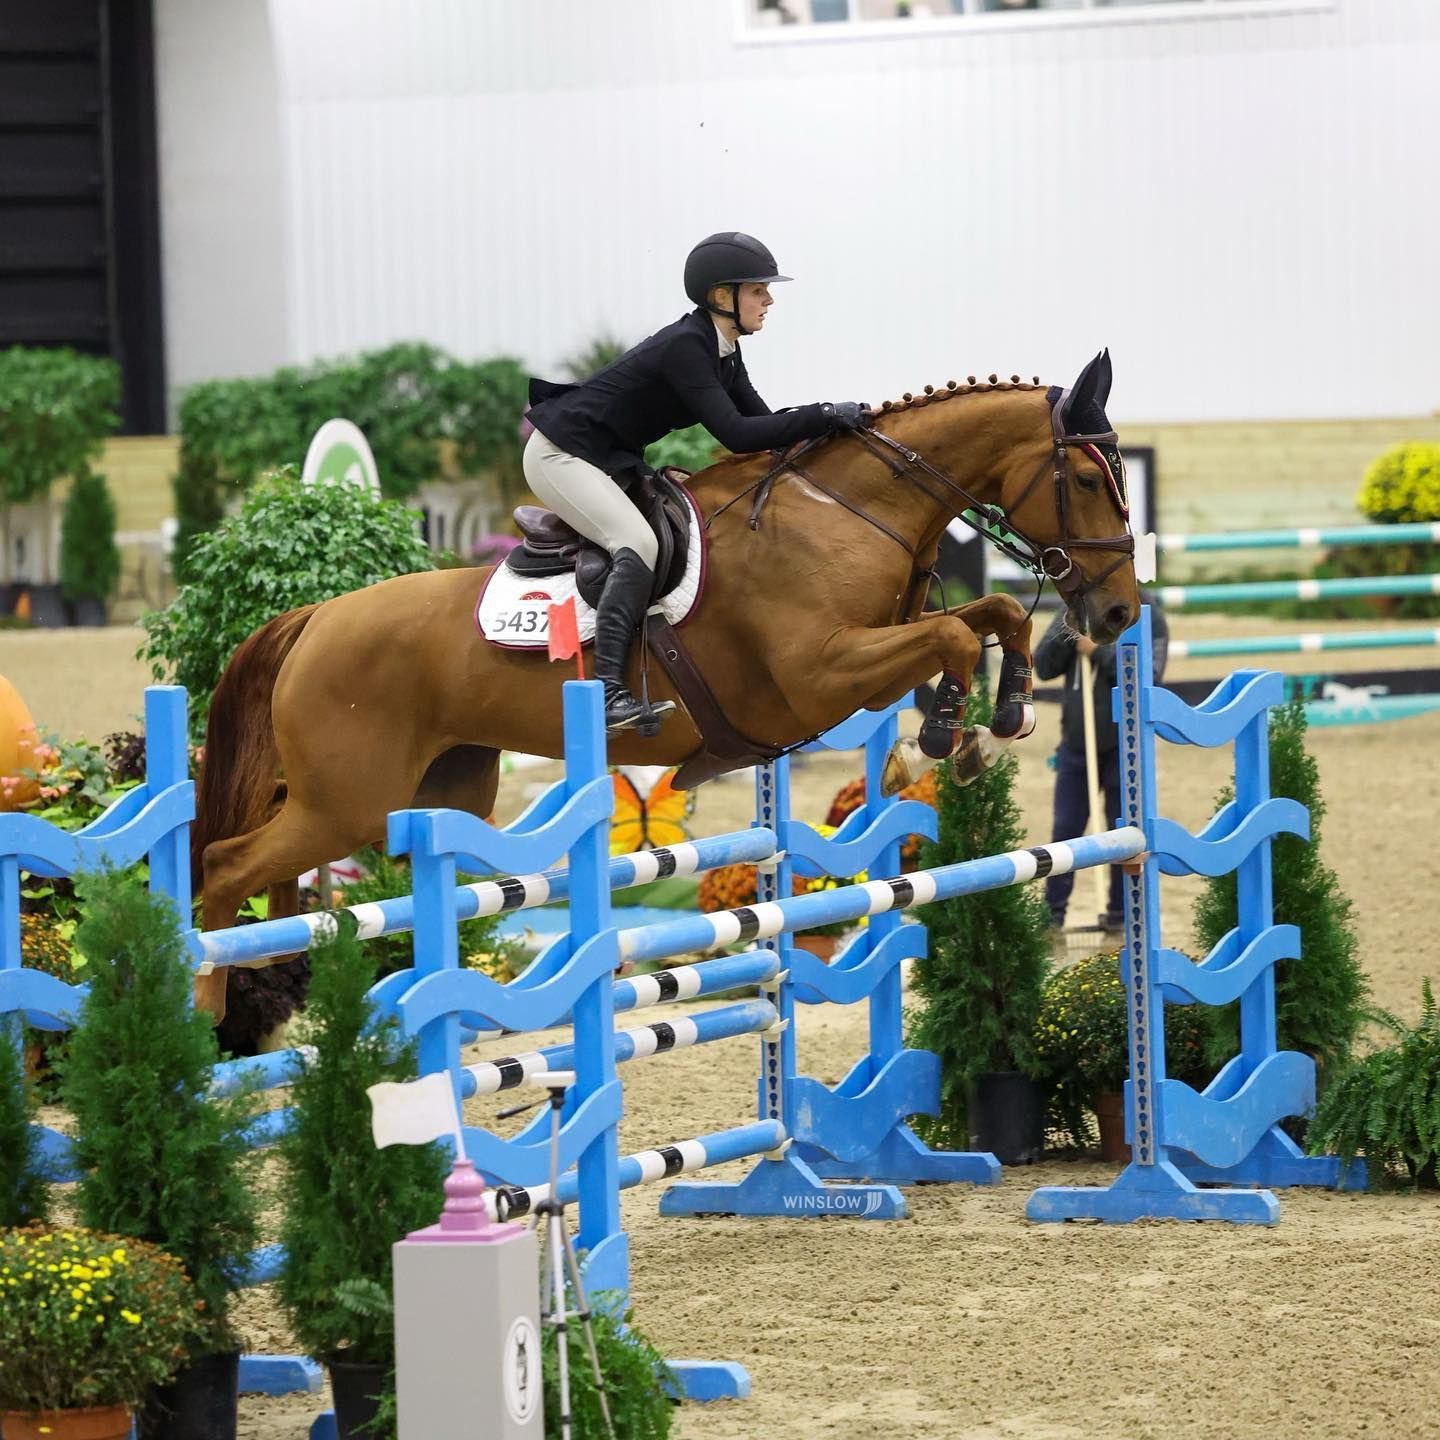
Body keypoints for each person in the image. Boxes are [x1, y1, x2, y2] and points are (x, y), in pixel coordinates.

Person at [523, 231, 868, 732]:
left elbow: (764, 429)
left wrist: (837, 433)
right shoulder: (688, 345)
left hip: (605, 458)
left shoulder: (724, 352)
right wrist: (823, 413)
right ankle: (606, 695)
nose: (769, 299)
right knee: (637, 543)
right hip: (560, 453)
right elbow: (736, 434)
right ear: (721, 296)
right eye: (758, 290)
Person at [1033, 594, 1169, 938]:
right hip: (1075, 746)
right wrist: (1070, 629)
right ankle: (1051, 917)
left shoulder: (1148, 615)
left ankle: (1121, 917)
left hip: (1126, 747)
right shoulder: (1075, 608)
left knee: (1121, 832)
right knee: (1064, 831)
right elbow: (1043, 666)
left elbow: (1147, 677)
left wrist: (1097, 650)